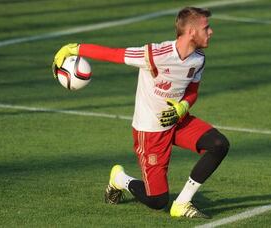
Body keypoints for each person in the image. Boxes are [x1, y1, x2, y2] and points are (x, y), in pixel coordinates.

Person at [52, 7, 229, 219]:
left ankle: (182, 203)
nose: (211, 32)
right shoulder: (155, 55)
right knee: (158, 201)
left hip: (177, 122)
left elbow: (192, 92)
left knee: (219, 145)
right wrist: (75, 48)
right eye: (206, 27)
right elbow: (115, 54)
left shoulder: (198, 59)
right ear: (191, 32)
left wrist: (183, 107)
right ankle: (120, 179)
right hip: (150, 131)